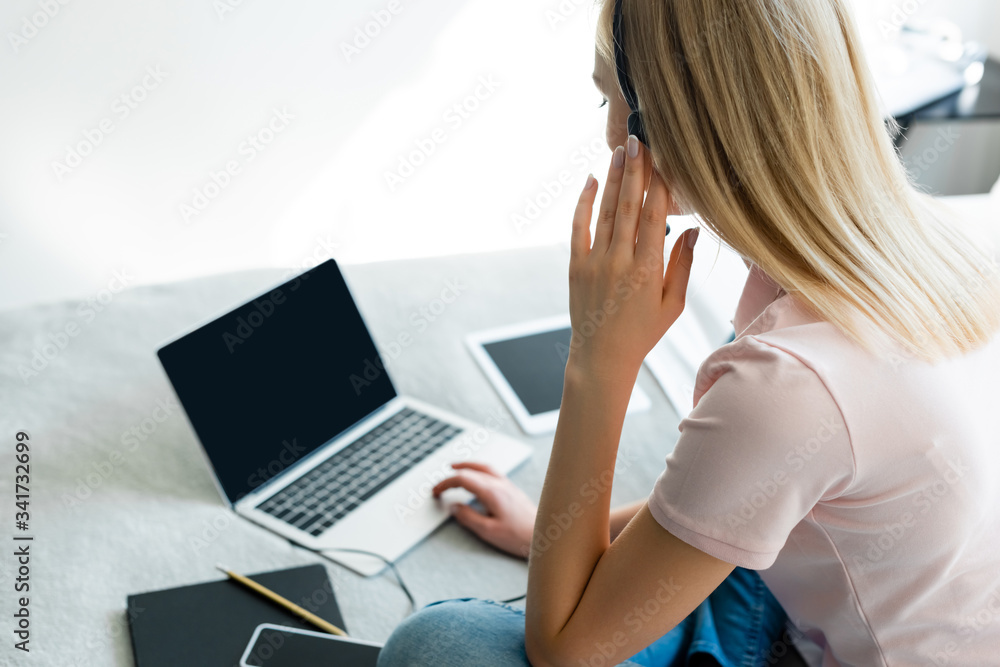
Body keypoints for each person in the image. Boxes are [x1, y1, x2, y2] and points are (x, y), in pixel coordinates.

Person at [376, 0, 1000, 665]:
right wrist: (544, 531)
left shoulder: (791, 383)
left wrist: (600, 355)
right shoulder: (934, 240)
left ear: (664, 124)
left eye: (607, 102)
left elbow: (565, 649)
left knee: (440, 646)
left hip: (822, 644)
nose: (610, 135)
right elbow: (742, 485)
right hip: (809, 587)